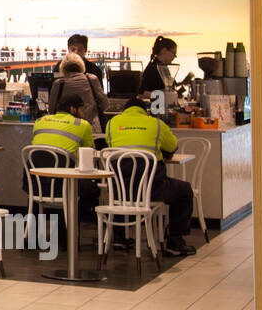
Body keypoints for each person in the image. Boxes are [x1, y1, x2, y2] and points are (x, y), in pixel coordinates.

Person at [105, 98, 196, 257]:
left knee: (125, 185)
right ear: (145, 110)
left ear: (125, 110)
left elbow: (111, 147)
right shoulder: (157, 124)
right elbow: (172, 146)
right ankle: (175, 242)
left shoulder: (112, 123)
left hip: (120, 191)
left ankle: (119, 237)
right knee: (185, 190)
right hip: (152, 190)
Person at [30, 96, 101, 229]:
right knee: (93, 190)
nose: (84, 113)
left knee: (41, 191)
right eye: (82, 109)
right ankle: (68, 231)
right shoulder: (83, 125)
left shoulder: (40, 121)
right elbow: (88, 154)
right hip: (64, 183)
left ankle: (33, 236)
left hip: (35, 182)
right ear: (73, 109)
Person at [48, 53, 108, 133]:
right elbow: (105, 104)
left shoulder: (58, 83)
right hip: (91, 129)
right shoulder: (92, 79)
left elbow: (51, 110)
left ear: (63, 68)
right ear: (81, 66)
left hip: (66, 129)